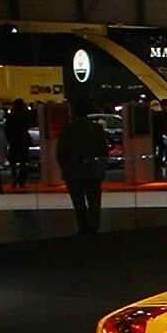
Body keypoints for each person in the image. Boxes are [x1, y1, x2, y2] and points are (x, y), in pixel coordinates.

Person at [56, 100, 109, 235]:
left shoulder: (67, 128)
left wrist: (65, 166)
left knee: (78, 201)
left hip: (73, 170)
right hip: (93, 169)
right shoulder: (96, 129)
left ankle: (83, 227)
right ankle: (94, 227)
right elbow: (104, 151)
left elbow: (60, 151)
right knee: (94, 200)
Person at [5, 98, 32, 189]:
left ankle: (14, 178)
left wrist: (9, 138)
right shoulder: (26, 115)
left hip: (14, 139)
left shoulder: (10, 116)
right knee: (23, 161)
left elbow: (7, 129)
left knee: (12, 160)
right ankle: (22, 181)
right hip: (23, 139)